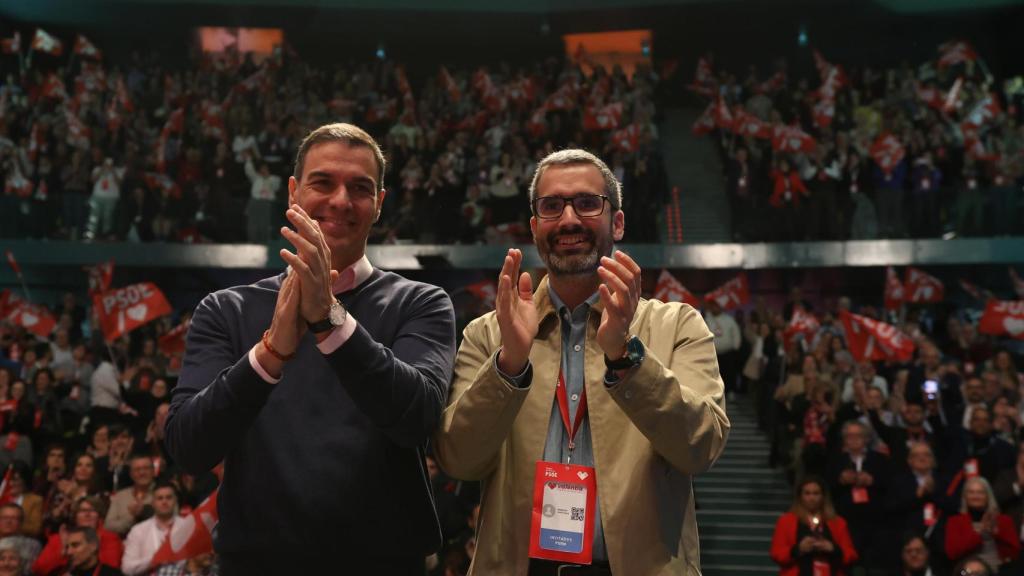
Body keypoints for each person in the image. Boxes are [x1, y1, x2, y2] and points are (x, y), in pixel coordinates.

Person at [166, 123, 457, 572]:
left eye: (360, 188)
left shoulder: (421, 303)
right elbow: (189, 448)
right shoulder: (226, 310)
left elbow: (417, 419)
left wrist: (328, 318)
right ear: (293, 192)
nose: (341, 200)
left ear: (379, 203)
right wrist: (269, 355)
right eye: (323, 182)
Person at [434, 149, 729, 575]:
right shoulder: (490, 334)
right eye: (552, 206)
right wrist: (509, 366)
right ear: (535, 227)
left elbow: (700, 448)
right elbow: (459, 459)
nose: (569, 220)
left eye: (588, 203)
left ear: (618, 222)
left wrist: (625, 356)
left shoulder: (676, 325)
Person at [769, 477, 858, 576]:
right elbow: (777, 553)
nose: (812, 498)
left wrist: (833, 548)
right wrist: (798, 549)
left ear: (823, 496)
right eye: (807, 493)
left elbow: (851, 555)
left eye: (816, 493)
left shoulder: (837, 522)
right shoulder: (786, 521)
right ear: (800, 496)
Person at [33, 496, 123, 576]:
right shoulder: (58, 539)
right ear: (75, 516)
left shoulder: (110, 538)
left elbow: (111, 567)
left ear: (99, 516)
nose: (87, 514)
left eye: (92, 510)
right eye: (82, 511)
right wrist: (63, 550)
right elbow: (39, 570)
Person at [944, 476, 1019, 570]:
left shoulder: (1004, 520)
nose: (976, 496)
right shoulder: (955, 522)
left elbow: (1014, 553)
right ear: (965, 497)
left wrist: (996, 534)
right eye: (971, 492)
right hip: (967, 570)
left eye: (980, 492)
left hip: (997, 570)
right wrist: (979, 534)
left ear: (988, 496)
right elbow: (952, 553)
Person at [121, 483, 177, 576]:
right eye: (160, 498)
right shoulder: (138, 530)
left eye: (168, 497)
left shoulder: (186, 527)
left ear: (175, 501)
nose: (164, 501)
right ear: (153, 503)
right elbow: (127, 568)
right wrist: (155, 559)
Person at [105, 455, 156, 536]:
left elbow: (170, 521)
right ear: (131, 474)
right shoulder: (120, 496)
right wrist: (132, 518)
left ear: (153, 471)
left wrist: (143, 513)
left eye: (146, 468)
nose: (142, 473)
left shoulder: (164, 494)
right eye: (137, 469)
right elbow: (108, 526)